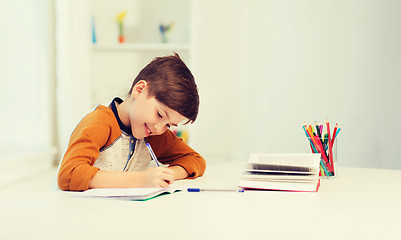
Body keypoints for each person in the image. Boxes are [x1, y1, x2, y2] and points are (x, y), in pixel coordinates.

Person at [57, 53, 206, 191]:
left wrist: (166, 175)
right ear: (140, 90)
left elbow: (196, 160)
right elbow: (68, 174)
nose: (159, 128)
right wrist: (141, 179)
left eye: (168, 125)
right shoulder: (99, 122)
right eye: (160, 114)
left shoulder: (154, 133)